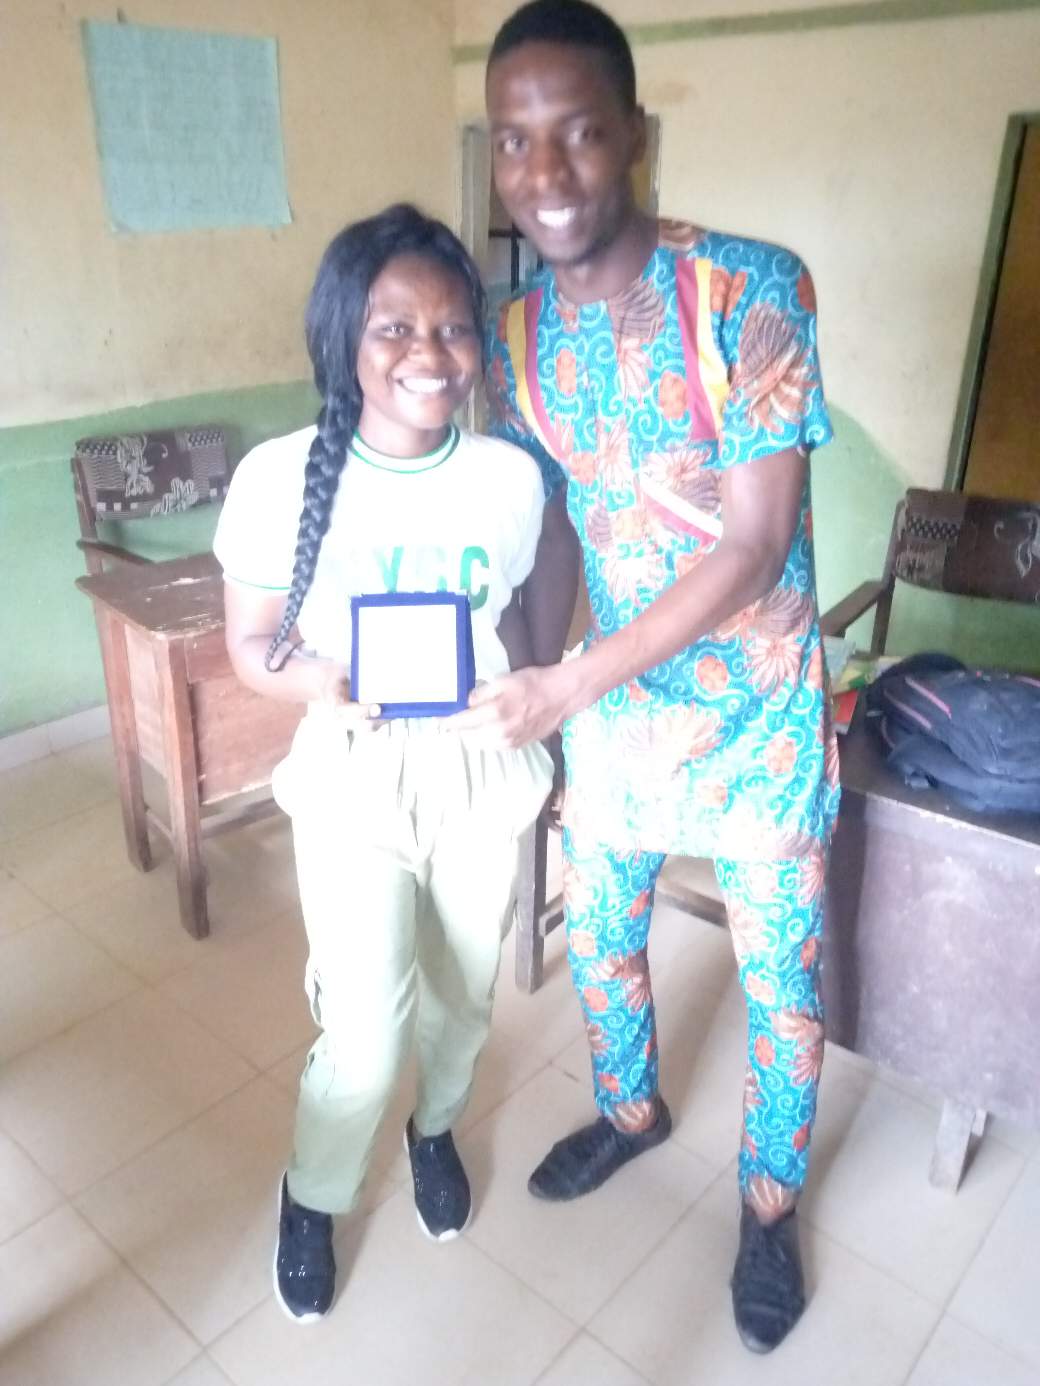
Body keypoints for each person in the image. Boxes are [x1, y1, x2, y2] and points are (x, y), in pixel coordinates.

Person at [453, 0, 840, 1354]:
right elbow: (556, 526)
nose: (543, 173)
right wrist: (523, 676)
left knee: (780, 983)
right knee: (604, 938)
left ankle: (769, 1204)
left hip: (757, 714)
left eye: (577, 133)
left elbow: (754, 543)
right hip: (615, 712)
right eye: (514, 141)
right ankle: (630, 1110)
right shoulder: (512, 336)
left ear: (635, 135)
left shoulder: (749, 291)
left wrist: (567, 685)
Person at [213, 204, 552, 1322]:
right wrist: (326, 680)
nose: (429, 353)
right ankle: (313, 1193)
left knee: (461, 1002)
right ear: (342, 338)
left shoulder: (508, 477)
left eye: (453, 327)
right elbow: (251, 648)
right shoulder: (277, 477)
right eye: (394, 327)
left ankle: (435, 1129)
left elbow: (524, 617)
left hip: (474, 773)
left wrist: (533, 697)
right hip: (354, 774)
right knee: (364, 1034)